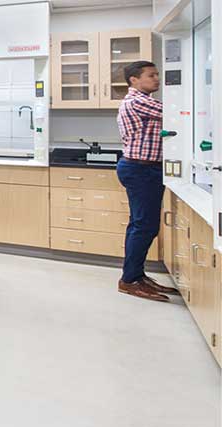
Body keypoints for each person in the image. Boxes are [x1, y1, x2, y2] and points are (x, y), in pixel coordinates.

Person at [115, 60, 177, 302]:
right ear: (134, 80)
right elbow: (176, 114)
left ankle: (136, 276)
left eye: (157, 75)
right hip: (141, 170)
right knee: (144, 226)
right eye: (151, 75)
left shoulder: (141, 101)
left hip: (143, 169)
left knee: (140, 225)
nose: (157, 79)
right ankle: (129, 280)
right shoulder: (138, 101)